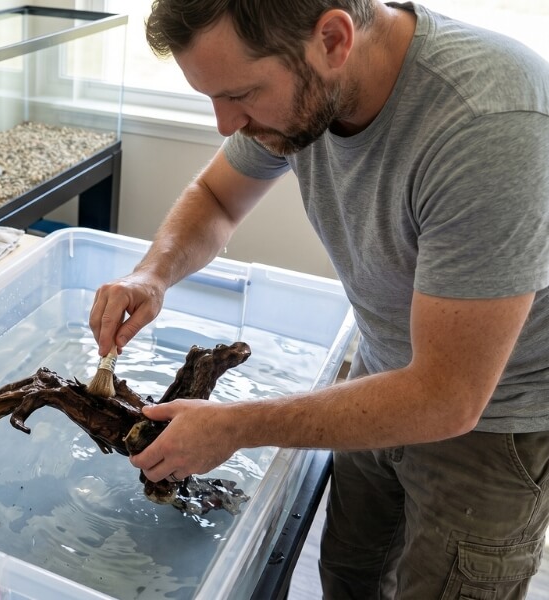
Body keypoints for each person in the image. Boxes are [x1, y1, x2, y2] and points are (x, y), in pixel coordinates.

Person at [89, 1, 549, 597]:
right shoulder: (306, 90)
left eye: (241, 94)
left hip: (489, 425)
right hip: (380, 368)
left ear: (333, 39)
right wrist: (151, 275)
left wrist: (236, 427)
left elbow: (448, 396)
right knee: (349, 575)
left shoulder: (489, 124)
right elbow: (217, 197)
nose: (226, 125)